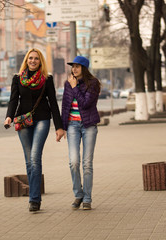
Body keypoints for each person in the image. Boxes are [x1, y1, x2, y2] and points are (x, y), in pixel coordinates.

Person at [4, 48, 64, 212]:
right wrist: (9, 116)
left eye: (36, 59)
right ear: (26, 60)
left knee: (35, 158)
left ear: (40, 61)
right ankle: (34, 197)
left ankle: (34, 200)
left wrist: (59, 127)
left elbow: (53, 102)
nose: (33, 61)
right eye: (30, 58)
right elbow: (13, 100)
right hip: (23, 122)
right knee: (29, 161)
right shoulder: (18, 79)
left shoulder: (47, 79)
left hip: (42, 120)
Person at [61, 56, 101, 210]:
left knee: (87, 164)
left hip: (89, 126)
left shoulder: (93, 84)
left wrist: (75, 87)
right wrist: (61, 127)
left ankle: (87, 199)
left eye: (77, 66)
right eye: (73, 66)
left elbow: (85, 103)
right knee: (74, 162)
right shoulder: (68, 84)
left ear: (84, 68)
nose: (74, 69)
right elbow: (65, 106)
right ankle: (78, 194)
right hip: (72, 126)